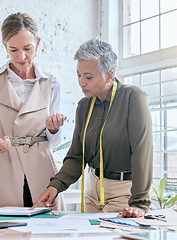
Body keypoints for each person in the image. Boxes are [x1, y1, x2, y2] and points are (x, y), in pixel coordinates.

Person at [31, 38, 153, 218]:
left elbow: (142, 152)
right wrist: (55, 186)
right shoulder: (84, 106)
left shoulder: (132, 97)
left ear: (109, 75)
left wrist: (139, 203)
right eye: (78, 75)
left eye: (88, 77)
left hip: (123, 193)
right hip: (92, 191)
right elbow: (77, 156)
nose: (81, 82)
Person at [0, 12, 66, 209]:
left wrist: (54, 129)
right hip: (2, 168)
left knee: (47, 231)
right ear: (4, 46)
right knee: (2, 232)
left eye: (28, 48)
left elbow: (54, 142)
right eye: (13, 50)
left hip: (42, 170)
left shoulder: (52, 83)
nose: (21, 57)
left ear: (37, 43)